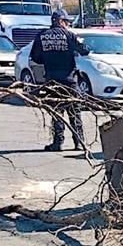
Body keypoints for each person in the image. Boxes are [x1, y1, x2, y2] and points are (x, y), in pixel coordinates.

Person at [30, 9, 89, 152]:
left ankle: (58, 142)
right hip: (69, 80)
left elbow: (35, 57)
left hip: (52, 80)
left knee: (57, 111)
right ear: (61, 21)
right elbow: (85, 50)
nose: (67, 24)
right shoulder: (69, 35)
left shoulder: (42, 36)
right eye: (66, 21)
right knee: (74, 111)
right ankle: (79, 142)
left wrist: (48, 58)